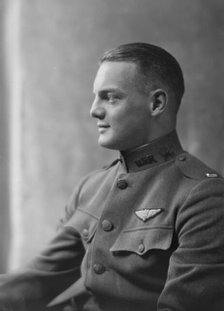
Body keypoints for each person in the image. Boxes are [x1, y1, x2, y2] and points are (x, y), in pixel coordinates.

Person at [0, 42, 224, 311]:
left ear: (156, 103)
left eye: (111, 97)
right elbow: (37, 282)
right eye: (96, 97)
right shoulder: (92, 187)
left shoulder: (202, 195)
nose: (94, 110)